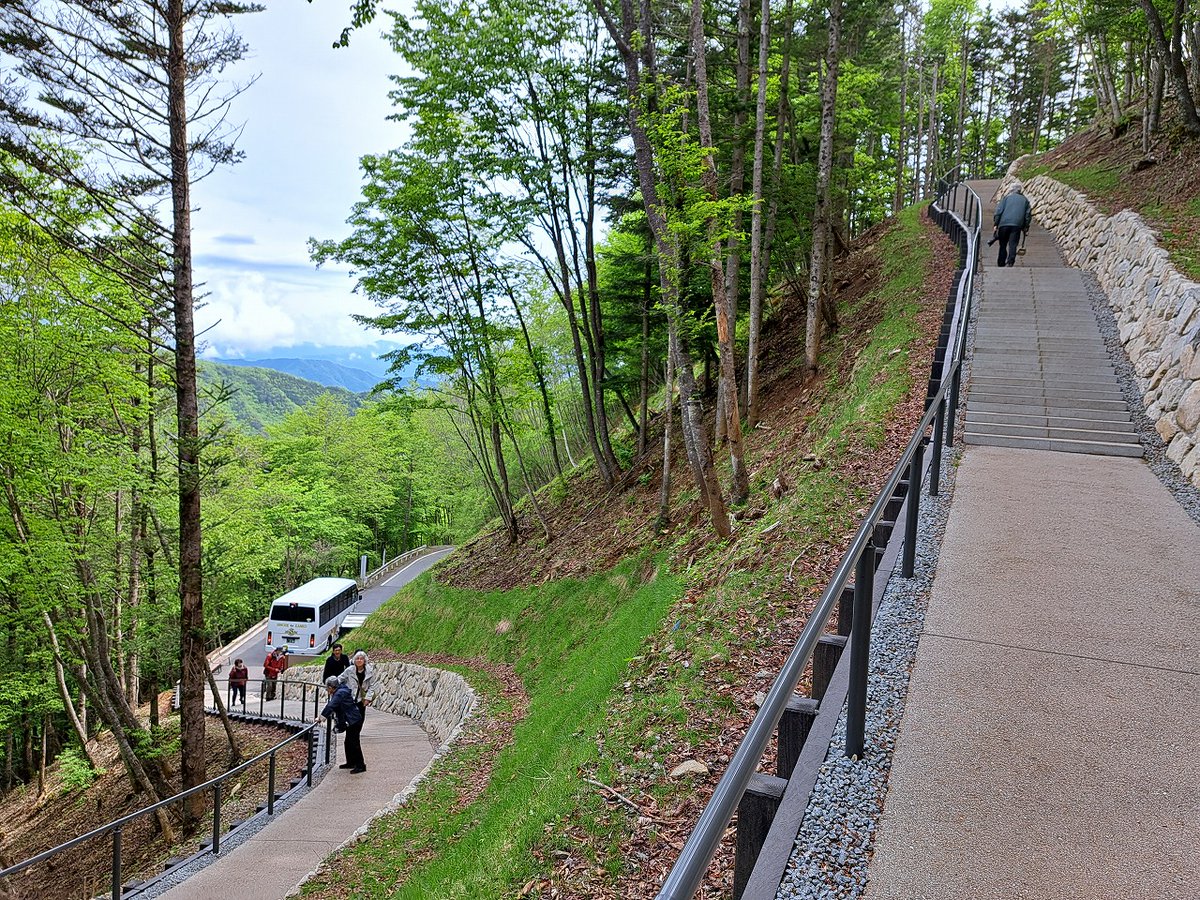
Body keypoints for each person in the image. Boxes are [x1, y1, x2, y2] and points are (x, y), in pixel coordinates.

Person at [319, 675, 366, 773]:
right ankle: (351, 762)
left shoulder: (340, 693)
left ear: (331, 687)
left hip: (353, 720)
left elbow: (331, 705)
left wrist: (321, 718)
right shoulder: (341, 691)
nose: (327, 690)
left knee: (354, 742)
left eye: (327, 688)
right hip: (350, 720)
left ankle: (360, 765)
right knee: (348, 742)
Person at [993, 185, 1033, 267]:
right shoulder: (1025, 200)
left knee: (1003, 244)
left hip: (1003, 224)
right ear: (1020, 191)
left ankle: (1001, 262)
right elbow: (1027, 215)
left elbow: (998, 211)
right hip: (1016, 225)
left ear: (1011, 190)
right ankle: (1010, 261)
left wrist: (996, 223)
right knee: (1013, 244)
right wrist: (1026, 226)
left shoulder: (1006, 198)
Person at [337, 650, 375, 718]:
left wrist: (368, 698)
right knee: (350, 719)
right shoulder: (350, 670)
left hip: (361, 699)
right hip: (350, 699)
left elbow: (372, 685)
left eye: (361, 659)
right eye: (357, 658)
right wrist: (333, 685)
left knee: (360, 719)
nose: (359, 660)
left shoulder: (369, 671)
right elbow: (340, 679)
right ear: (354, 660)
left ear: (364, 660)